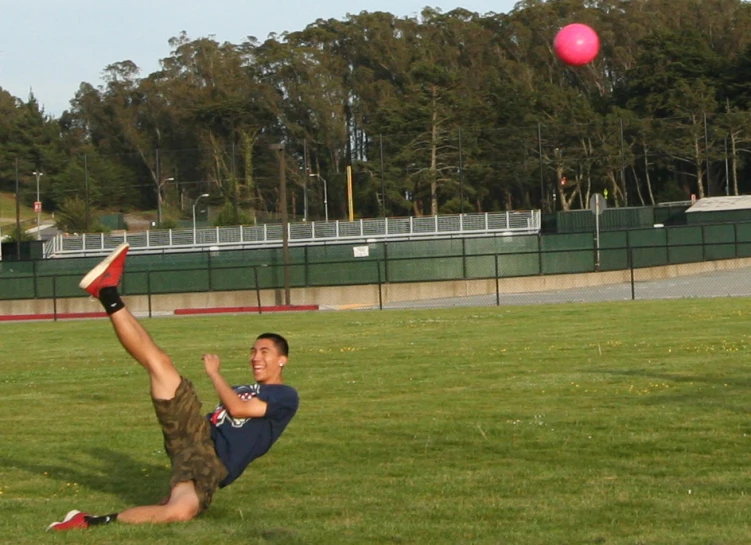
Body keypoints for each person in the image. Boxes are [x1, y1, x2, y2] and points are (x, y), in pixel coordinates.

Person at [47, 243, 299, 531]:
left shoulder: (285, 396)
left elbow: (239, 408)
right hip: (196, 434)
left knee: (178, 512)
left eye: (264, 352)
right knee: (160, 364)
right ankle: (107, 292)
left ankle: (88, 521)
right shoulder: (243, 386)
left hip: (210, 461)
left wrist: (215, 375)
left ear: (282, 360)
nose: (256, 357)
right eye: (253, 351)